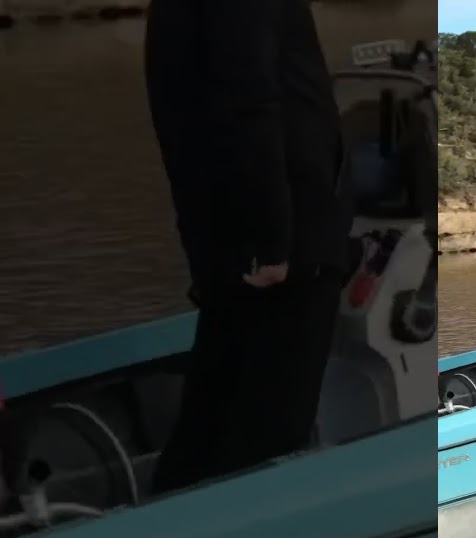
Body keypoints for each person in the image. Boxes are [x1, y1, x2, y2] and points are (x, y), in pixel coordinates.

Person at [143, 0, 356, 493]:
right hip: (285, 248)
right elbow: (247, 103)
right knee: (266, 438)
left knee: (211, 417)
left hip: (231, 239)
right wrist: (272, 243)